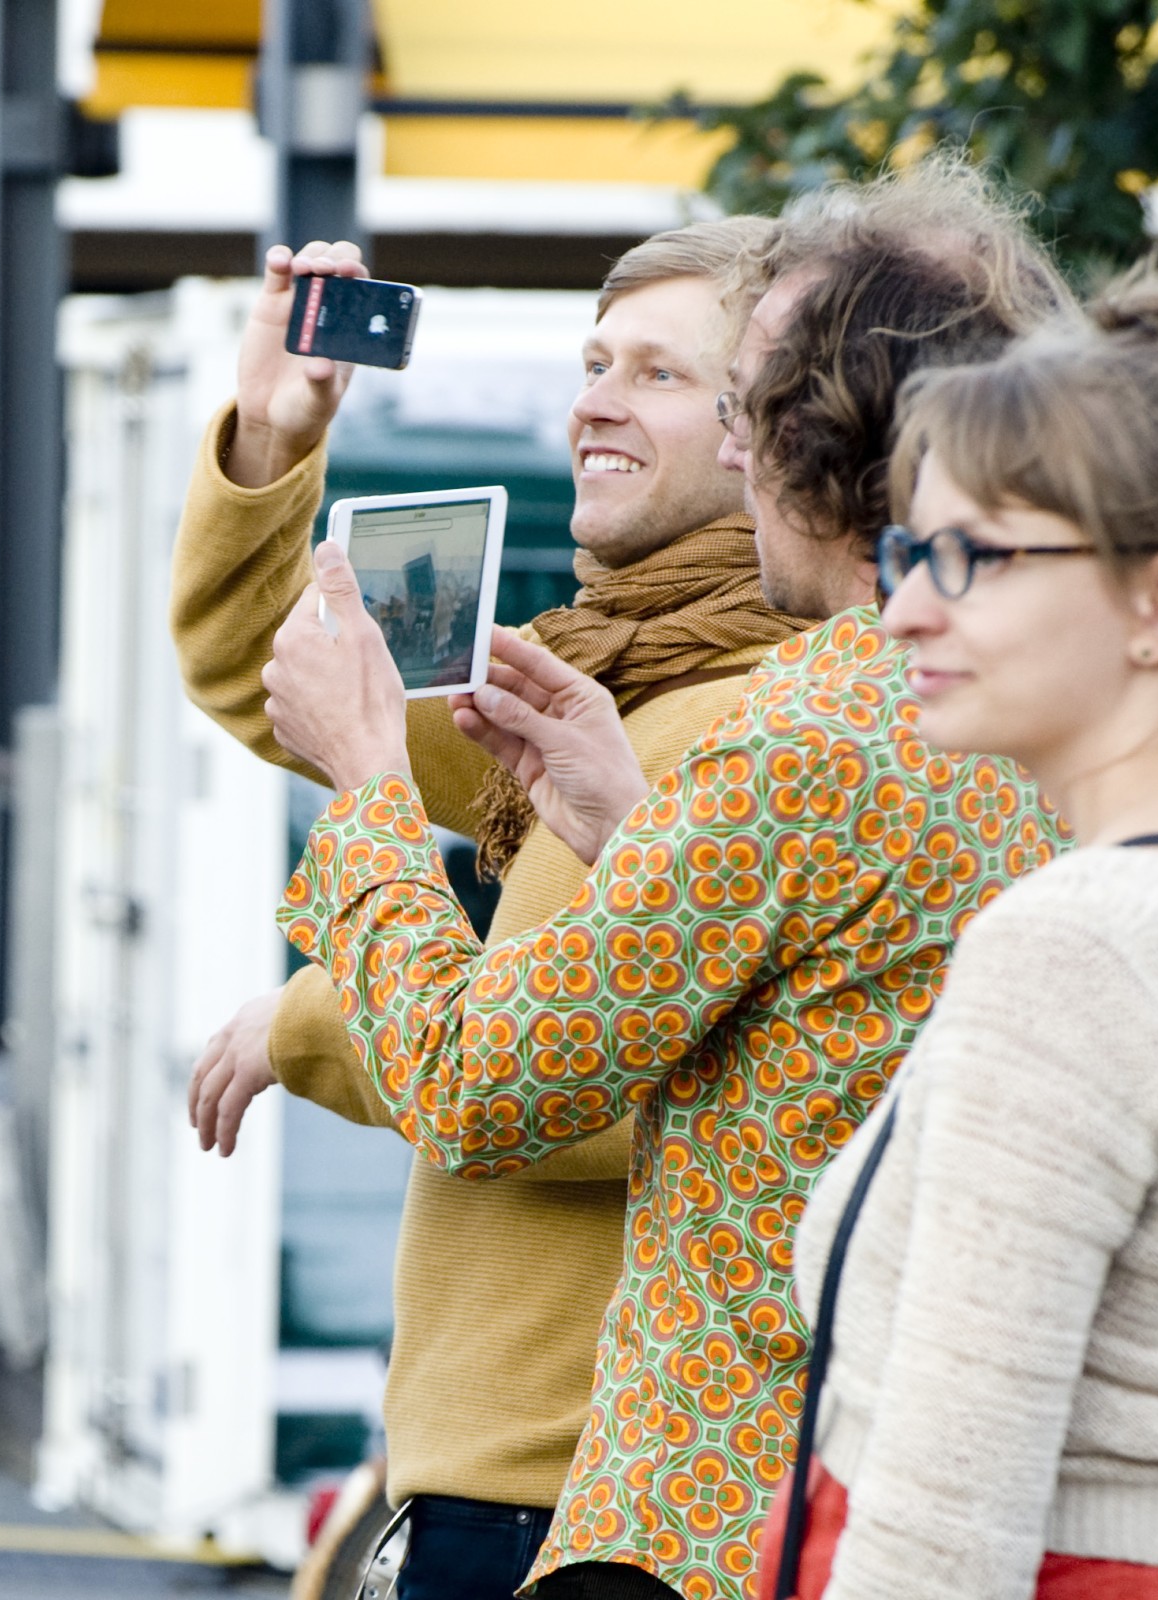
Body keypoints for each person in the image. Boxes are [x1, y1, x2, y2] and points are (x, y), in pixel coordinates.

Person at [258, 162, 1069, 1599]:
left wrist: (372, 787)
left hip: (697, 1518)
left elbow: (473, 1086)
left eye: (746, 401)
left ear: (821, 438)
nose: (737, 452)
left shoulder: (804, 737)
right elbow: (823, 1033)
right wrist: (635, 825)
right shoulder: (1003, 706)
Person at [175, 219, 804, 1600]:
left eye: (655, 372)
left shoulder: (753, 724)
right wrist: (275, 440)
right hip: (542, 1490)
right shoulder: (615, 681)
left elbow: (556, 1087)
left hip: (571, 1503)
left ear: (776, 431)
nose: (592, 401)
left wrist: (302, 1019)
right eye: (592, 361)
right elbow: (260, 675)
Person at [757, 250, 1158, 1600]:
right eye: (908, 549)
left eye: (973, 557)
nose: (908, 605)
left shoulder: (1078, 948)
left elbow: (938, 1542)